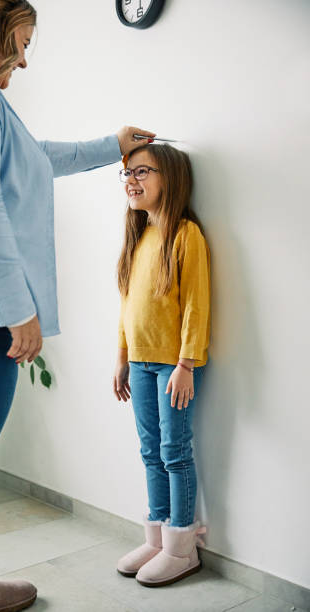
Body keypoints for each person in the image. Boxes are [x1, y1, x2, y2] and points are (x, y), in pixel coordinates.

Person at [0, 1, 155, 610]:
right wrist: (21, 309)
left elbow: (33, 159)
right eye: (22, 39)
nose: (23, 56)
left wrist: (111, 144)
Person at [113, 143, 210, 588]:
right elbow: (127, 308)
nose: (131, 180)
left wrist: (187, 363)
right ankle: (156, 537)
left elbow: (195, 304)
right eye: (127, 173)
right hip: (139, 362)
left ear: (169, 178)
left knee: (174, 452)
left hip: (173, 366)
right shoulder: (138, 237)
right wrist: (121, 359)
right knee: (150, 452)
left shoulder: (186, 234)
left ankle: (181, 548)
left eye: (142, 171)